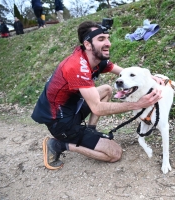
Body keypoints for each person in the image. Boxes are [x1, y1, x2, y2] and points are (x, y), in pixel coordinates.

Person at [31, 20, 163, 170]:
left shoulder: (95, 58)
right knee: (115, 153)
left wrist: (148, 77)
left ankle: (90, 130)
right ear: (88, 44)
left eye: (107, 38)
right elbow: (98, 108)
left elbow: (125, 72)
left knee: (106, 89)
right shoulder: (76, 67)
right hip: (60, 123)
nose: (108, 43)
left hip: (71, 109)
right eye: (101, 39)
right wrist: (139, 104)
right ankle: (59, 144)